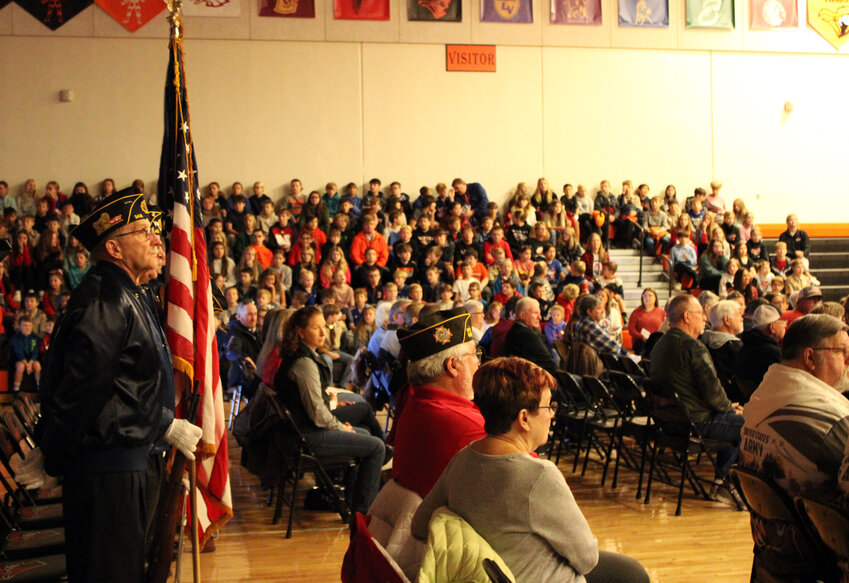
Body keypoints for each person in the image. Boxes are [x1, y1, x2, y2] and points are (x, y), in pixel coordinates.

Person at [19, 189, 202, 583]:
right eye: (144, 232)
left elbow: (130, 383)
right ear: (115, 249)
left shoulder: (126, 292)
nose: (158, 239)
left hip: (124, 464)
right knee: (110, 572)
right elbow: (85, 391)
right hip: (108, 472)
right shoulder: (106, 298)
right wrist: (53, 455)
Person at [411, 357, 649, 583]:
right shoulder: (538, 476)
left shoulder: (463, 459)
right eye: (548, 406)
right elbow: (587, 558)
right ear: (524, 418)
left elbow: (420, 525)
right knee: (633, 574)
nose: (552, 414)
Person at [740, 314, 849, 582]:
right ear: (810, 358)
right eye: (842, 351)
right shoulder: (830, 419)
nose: (848, 361)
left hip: (771, 554)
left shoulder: (764, 395)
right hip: (815, 558)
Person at [274, 306, 387, 514]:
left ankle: (352, 503)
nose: (323, 333)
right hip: (305, 438)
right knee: (376, 447)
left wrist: (338, 420)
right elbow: (317, 413)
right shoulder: (303, 363)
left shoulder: (302, 356)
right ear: (300, 332)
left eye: (324, 327)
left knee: (364, 433)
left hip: (302, 431)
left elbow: (316, 405)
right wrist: (341, 428)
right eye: (316, 328)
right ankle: (362, 513)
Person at [392, 307, 486, 499]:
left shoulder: (418, 404)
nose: (478, 363)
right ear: (452, 365)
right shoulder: (465, 424)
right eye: (474, 355)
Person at [649, 293, 742, 483]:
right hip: (694, 422)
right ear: (687, 317)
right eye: (700, 313)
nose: (705, 318)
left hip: (667, 422)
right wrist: (732, 410)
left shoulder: (660, 345)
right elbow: (713, 393)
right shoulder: (693, 347)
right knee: (749, 426)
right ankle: (724, 483)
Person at [734, 304, 786, 401]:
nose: (785, 328)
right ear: (772, 328)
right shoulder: (772, 353)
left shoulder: (745, 347)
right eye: (783, 324)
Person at [700, 299, 744, 402]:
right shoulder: (734, 347)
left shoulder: (701, 341)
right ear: (727, 320)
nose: (741, 319)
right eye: (738, 315)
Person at [503, 297, 559, 376]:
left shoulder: (513, 331)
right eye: (536, 313)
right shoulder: (526, 335)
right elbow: (551, 367)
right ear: (522, 315)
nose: (539, 317)